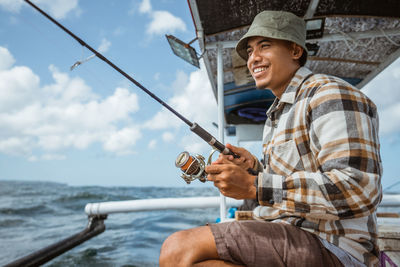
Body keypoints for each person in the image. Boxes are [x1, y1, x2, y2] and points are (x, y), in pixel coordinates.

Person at [159, 10, 382, 267]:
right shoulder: (276, 113)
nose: (254, 58)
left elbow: (358, 189)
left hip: (334, 247)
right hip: (291, 234)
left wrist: (255, 185)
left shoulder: (329, 93)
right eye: (250, 51)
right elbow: (298, 178)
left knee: (177, 248)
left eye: (265, 46)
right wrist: (255, 168)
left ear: (295, 51)